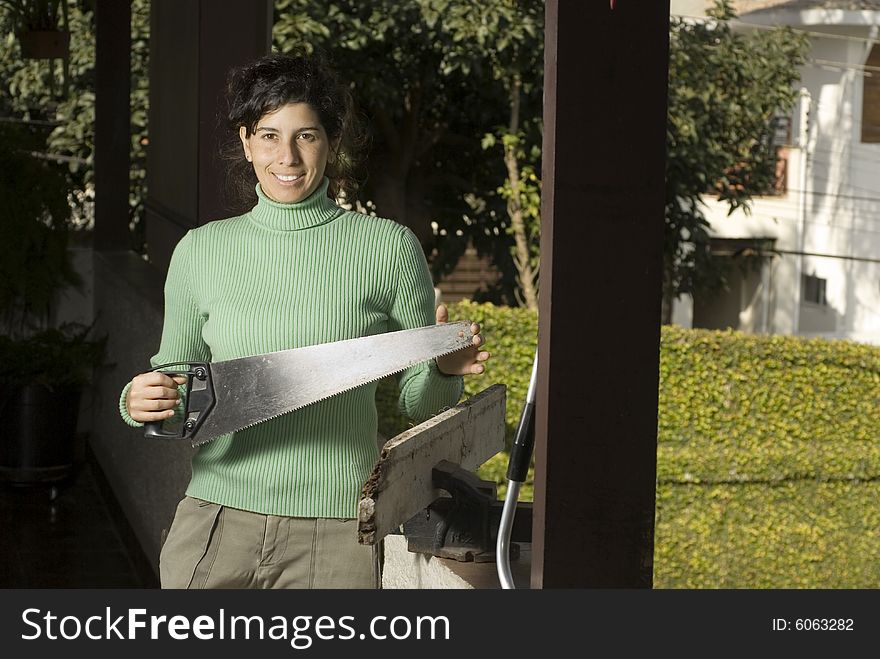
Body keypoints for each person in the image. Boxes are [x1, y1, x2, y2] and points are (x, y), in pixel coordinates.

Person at [119, 53, 490, 589]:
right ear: (246, 142)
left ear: (330, 142)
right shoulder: (200, 251)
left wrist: (445, 371)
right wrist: (141, 403)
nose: (286, 155)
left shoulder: (387, 248)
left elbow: (416, 403)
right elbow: (180, 389)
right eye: (269, 135)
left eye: (306, 135)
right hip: (216, 522)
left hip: (337, 533)